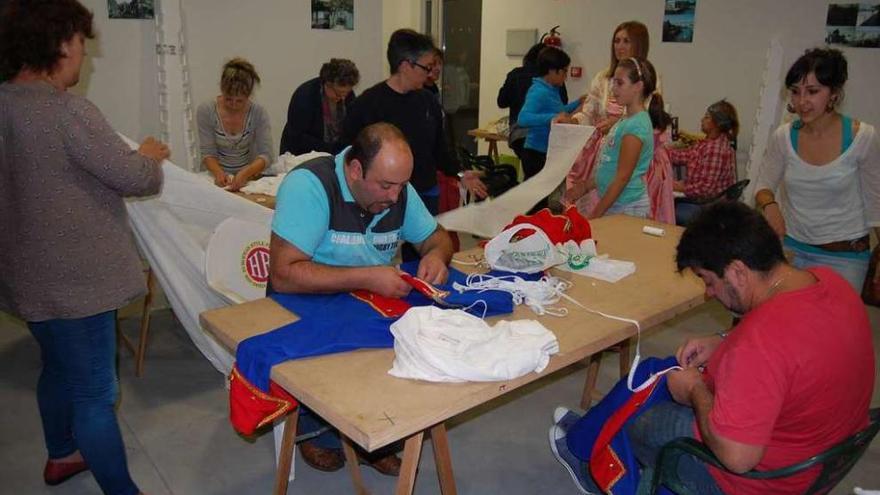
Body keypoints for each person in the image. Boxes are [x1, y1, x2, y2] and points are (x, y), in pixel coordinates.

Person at [550, 202, 874, 495]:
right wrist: (723, 340)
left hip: (765, 481)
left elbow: (737, 458)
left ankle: (599, 469)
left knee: (645, 421)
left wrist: (694, 391)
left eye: (708, 280)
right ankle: (586, 439)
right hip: (821, 458)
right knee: (658, 370)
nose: (708, 294)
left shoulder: (760, 341)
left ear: (737, 272)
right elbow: (796, 343)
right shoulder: (829, 283)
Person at [0, 1, 170, 493]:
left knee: (57, 367)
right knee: (97, 393)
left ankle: (61, 455)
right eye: (80, 45)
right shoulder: (68, 111)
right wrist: (149, 154)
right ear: (58, 44)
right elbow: (134, 177)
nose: (84, 57)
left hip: (27, 276)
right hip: (77, 284)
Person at [268, 122, 454, 474]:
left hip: (366, 300)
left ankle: (377, 432)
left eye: (401, 185)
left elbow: (438, 238)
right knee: (328, 366)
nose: (396, 197)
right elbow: (284, 274)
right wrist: (368, 276)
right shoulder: (310, 186)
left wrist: (434, 255)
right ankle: (317, 431)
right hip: (303, 303)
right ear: (355, 170)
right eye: (385, 186)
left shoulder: (397, 190)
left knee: (410, 347)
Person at [754, 47, 880, 292]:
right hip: (792, 251)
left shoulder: (862, 138)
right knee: (787, 324)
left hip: (845, 257)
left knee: (835, 326)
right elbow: (763, 186)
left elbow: (877, 205)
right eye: (795, 92)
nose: (802, 102)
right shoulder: (783, 137)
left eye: (813, 91)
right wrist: (770, 206)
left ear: (834, 93)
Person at [343, 29, 487, 217]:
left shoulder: (428, 101)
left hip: (425, 195)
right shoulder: (367, 105)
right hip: (384, 199)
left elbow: (440, 149)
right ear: (405, 65)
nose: (429, 74)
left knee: (428, 243)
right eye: (426, 67)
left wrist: (459, 173)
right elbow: (348, 154)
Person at [566, 58, 666, 219]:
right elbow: (609, 167)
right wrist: (585, 186)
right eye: (613, 82)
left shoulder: (637, 125)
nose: (613, 89)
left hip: (627, 207)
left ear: (638, 87)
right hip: (616, 204)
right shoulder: (625, 120)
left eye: (619, 83)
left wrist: (596, 214)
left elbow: (622, 177)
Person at [566, 21, 652, 192]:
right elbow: (589, 113)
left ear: (639, 44)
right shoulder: (602, 78)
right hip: (600, 153)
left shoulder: (650, 81)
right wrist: (572, 121)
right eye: (616, 41)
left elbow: (645, 118)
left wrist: (616, 124)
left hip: (629, 152)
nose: (619, 46)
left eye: (626, 41)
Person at [197, 57, 273, 191]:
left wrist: (246, 172)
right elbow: (208, 153)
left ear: (249, 95)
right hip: (214, 176)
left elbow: (266, 155)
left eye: (239, 101)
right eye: (228, 99)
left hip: (248, 179)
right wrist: (219, 173)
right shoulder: (207, 110)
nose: (233, 105)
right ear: (222, 89)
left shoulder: (258, 113)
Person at [517, 46, 583, 184]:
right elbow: (523, 118)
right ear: (552, 71)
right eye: (564, 71)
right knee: (536, 201)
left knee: (541, 200)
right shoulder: (539, 91)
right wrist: (553, 119)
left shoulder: (552, 89)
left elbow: (558, 111)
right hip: (536, 153)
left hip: (545, 152)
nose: (566, 76)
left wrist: (578, 102)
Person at [669, 99, 739, 225]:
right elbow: (685, 155)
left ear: (716, 123)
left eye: (707, 117)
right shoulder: (707, 143)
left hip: (706, 207)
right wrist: (661, 152)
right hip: (702, 202)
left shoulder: (716, 149)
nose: (702, 120)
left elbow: (705, 190)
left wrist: (675, 186)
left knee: (662, 210)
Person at [497, 42, 570, 160]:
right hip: (544, 137)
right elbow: (562, 105)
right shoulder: (552, 80)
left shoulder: (515, 74)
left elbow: (501, 102)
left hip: (518, 135)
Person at [279, 58, 359, 156]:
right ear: (327, 84)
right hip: (301, 155)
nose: (343, 98)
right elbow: (298, 137)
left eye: (346, 93)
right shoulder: (304, 97)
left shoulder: (348, 97)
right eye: (338, 93)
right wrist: (331, 150)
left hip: (333, 154)